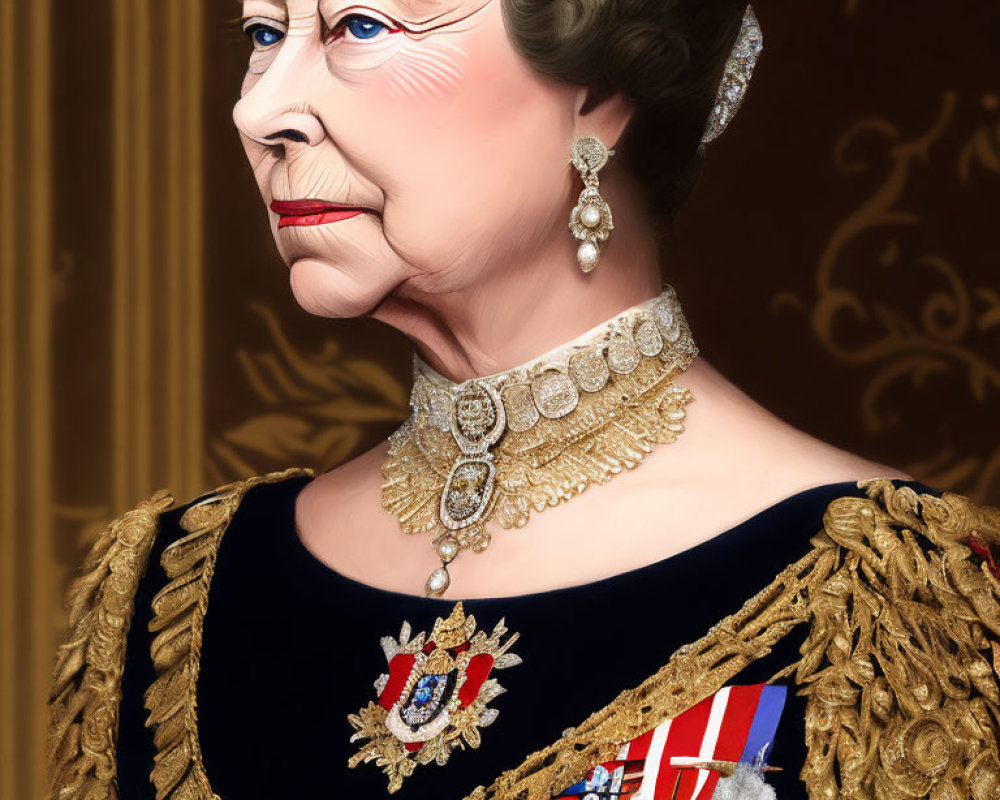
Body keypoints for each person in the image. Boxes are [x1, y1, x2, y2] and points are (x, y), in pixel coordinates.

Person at [47, 1, 1000, 799]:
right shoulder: (175, 588)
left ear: (596, 91)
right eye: (263, 36)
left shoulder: (875, 597)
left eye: (362, 27)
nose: (260, 114)